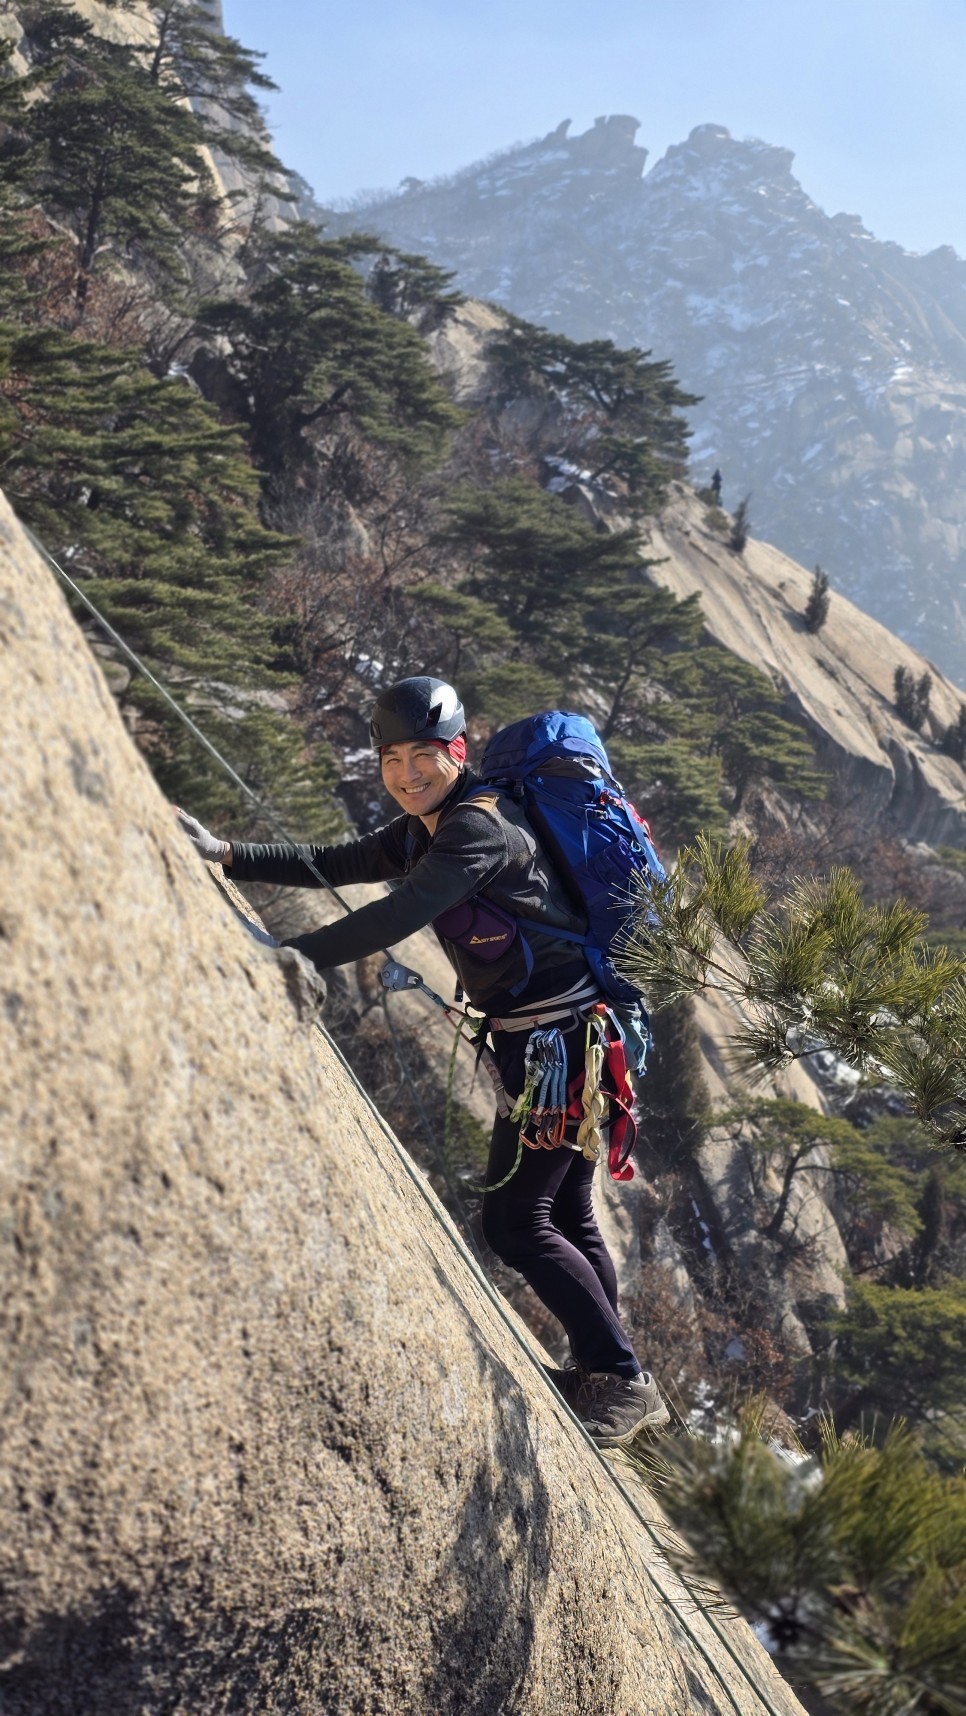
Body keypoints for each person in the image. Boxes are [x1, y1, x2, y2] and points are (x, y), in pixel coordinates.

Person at [177, 676, 669, 1445]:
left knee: (515, 1225)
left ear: (459, 752)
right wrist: (229, 855)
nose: (407, 774)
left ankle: (625, 1379)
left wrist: (289, 956)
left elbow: (403, 911)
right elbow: (340, 861)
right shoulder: (430, 824)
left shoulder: (477, 829)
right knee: (567, 1212)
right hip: (554, 1040)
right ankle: (602, 1370)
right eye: (392, 759)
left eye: (424, 757)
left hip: (561, 1047)